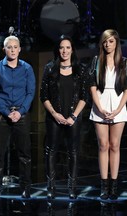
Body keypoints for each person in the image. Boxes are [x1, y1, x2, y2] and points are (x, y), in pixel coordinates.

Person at [40, 35, 87, 199]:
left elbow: (84, 96)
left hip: (73, 117)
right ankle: (50, 187)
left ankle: (72, 187)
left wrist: (73, 116)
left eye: (68, 47)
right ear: (57, 50)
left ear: (72, 49)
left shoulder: (80, 69)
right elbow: (43, 96)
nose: (64, 51)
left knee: (73, 152)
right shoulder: (50, 68)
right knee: (51, 151)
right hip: (55, 117)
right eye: (61, 47)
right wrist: (54, 114)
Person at [0, 35, 36, 198]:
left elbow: (30, 93)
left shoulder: (27, 68)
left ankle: (25, 187)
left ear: (20, 49)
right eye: (9, 47)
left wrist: (20, 111)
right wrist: (7, 112)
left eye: (15, 47)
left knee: (24, 154)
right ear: (4, 49)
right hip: (2, 114)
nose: (13, 50)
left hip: (21, 114)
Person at [89, 29, 127, 200]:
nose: (108, 44)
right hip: (100, 104)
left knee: (115, 145)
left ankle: (114, 186)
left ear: (116, 43)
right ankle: (104, 185)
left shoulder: (125, 62)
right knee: (103, 145)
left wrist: (118, 109)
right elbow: (92, 85)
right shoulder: (96, 61)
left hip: (118, 104)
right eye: (105, 41)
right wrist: (99, 107)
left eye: (111, 41)